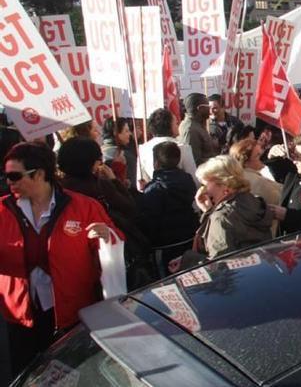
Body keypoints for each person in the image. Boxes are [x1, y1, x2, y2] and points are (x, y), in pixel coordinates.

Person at [0, 142, 117, 375]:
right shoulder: (2, 209)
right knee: (26, 374)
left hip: (70, 312)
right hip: (20, 315)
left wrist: (108, 236)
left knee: (70, 374)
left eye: (14, 176)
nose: (9, 182)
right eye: (6, 176)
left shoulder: (83, 207)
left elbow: (115, 242)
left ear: (40, 174)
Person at [57, 137, 154, 288]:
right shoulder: (99, 186)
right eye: (98, 160)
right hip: (107, 255)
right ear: (90, 163)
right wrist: (114, 180)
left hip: (71, 262)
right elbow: (130, 208)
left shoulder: (56, 191)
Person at [176, 155, 274, 270]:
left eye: (205, 184)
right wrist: (209, 211)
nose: (204, 190)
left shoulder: (221, 218)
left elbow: (220, 267)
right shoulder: (253, 200)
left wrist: (187, 260)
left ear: (224, 184)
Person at [137, 142, 199, 277]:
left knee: (168, 280)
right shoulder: (187, 179)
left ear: (156, 163)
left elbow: (150, 219)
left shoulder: (154, 189)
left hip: (165, 245)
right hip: (189, 236)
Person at [138, 108, 198, 186]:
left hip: (153, 194)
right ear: (169, 125)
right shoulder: (182, 148)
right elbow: (194, 181)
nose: (178, 126)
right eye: (176, 123)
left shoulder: (143, 148)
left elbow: (141, 183)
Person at [229, 138, 282, 205]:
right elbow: (279, 199)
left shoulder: (242, 176)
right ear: (245, 162)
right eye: (258, 156)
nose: (262, 158)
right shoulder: (256, 182)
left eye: (262, 152)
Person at [179, 93, 218, 166]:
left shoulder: (199, 124)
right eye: (208, 107)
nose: (210, 110)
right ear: (200, 108)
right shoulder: (191, 129)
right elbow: (194, 161)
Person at [100, 117, 136, 188]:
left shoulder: (99, 151)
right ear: (116, 133)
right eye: (126, 131)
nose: (130, 134)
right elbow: (133, 184)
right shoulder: (123, 155)